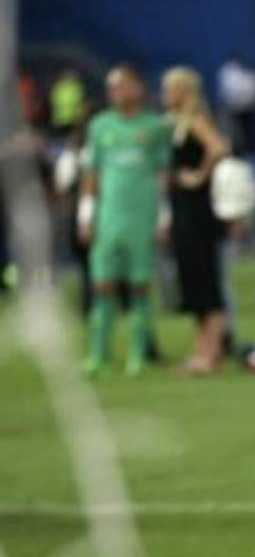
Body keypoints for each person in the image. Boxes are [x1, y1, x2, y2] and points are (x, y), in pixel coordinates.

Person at [78, 64, 172, 377]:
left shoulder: (156, 127)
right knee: (102, 285)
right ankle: (97, 353)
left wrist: (164, 215)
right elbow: (91, 173)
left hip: (142, 218)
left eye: (123, 86)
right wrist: (86, 214)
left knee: (140, 288)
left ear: (138, 89)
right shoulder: (100, 126)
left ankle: (137, 354)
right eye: (112, 87)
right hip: (109, 218)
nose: (116, 92)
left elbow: (163, 174)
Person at [162, 66, 229, 375]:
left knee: (206, 282)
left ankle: (210, 352)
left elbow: (218, 147)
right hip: (182, 210)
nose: (166, 95)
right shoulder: (174, 124)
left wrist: (198, 175)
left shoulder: (195, 121)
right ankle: (201, 350)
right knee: (192, 283)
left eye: (171, 89)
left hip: (197, 212)